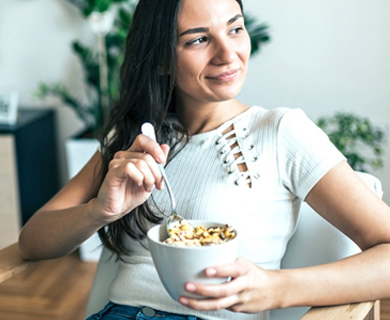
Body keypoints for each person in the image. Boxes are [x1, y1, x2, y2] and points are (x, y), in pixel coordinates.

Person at [19, 0, 390, 319]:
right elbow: (33, 243)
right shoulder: (135, 140)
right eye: (198, 39)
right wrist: (99, 210)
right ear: (162, 60)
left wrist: (278, 288)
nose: (228, 54)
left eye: (235, 29)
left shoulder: (281, 131)